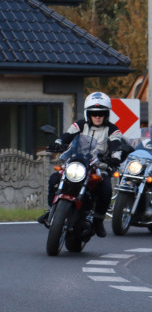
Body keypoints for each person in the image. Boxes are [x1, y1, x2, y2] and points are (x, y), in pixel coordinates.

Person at [40, 91, 125, 237]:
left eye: (101, 113)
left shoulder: (113, 130)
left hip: (99, 166)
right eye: (93, 113)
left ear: (106, 114)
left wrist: (115, 158)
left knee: (106, 188)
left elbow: (116, 146)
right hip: (77, 163)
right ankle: (52, 210)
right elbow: (67, 136)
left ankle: (98, 220)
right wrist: (58, 143)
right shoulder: (80, 124)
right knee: (55, 178)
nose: (97, 117)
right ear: (88, 114)